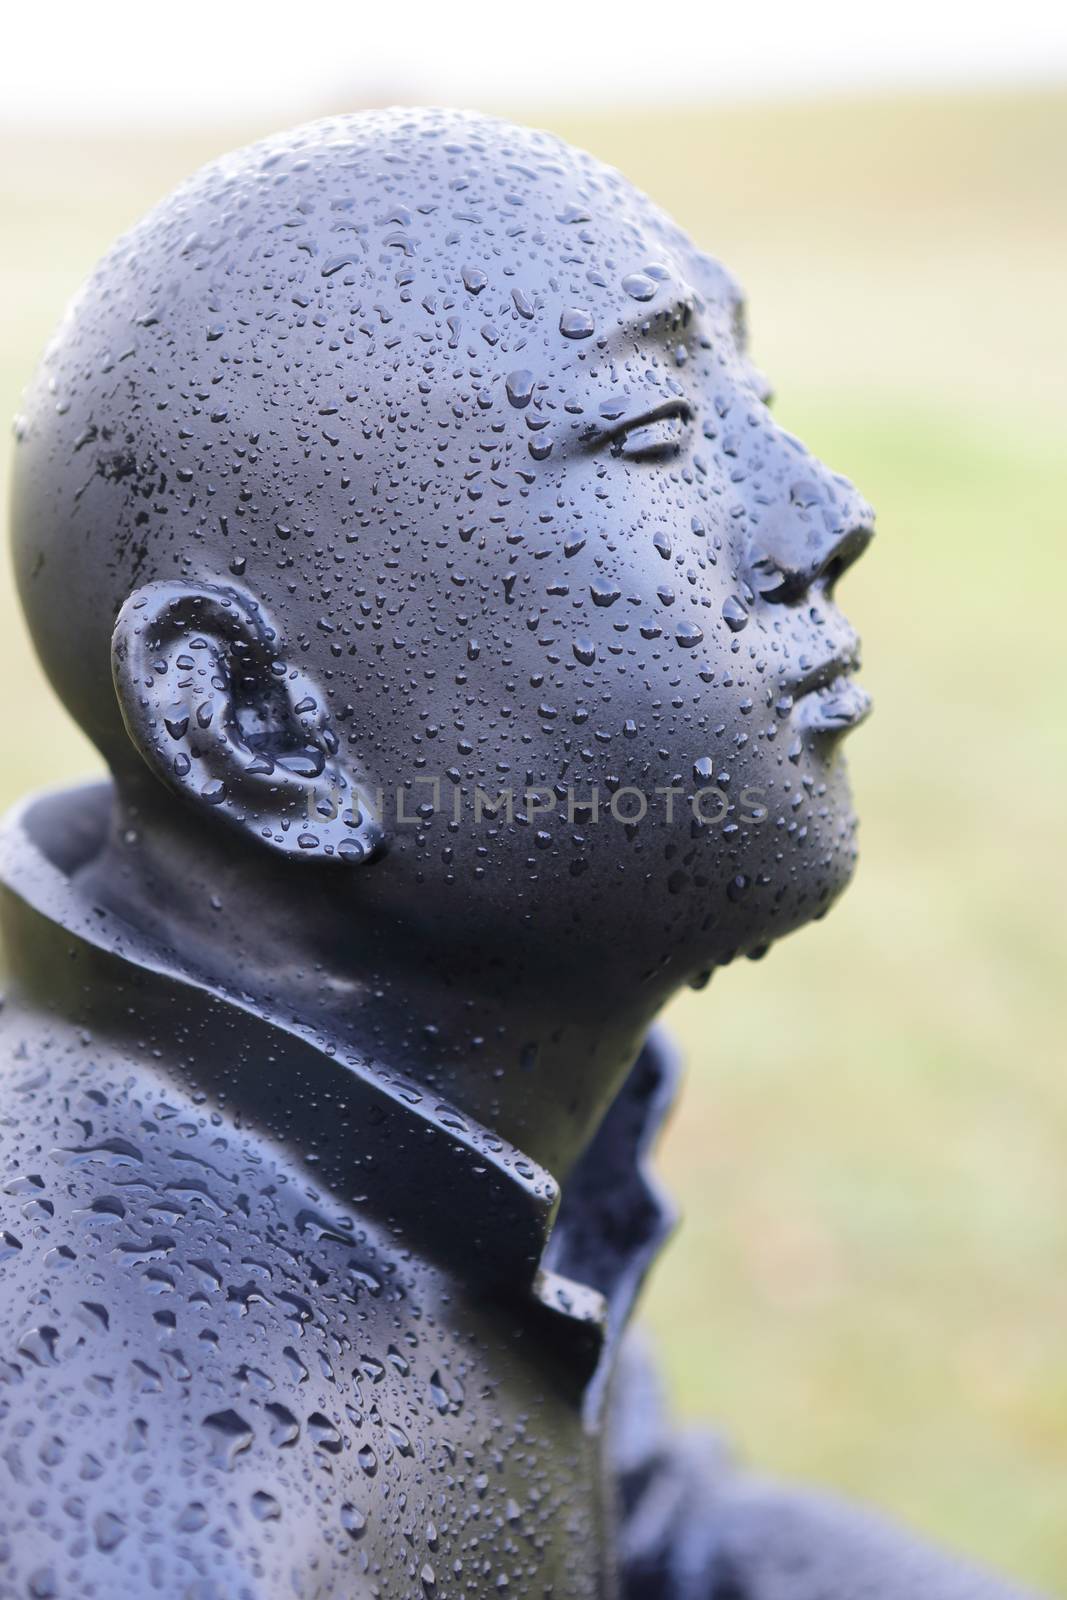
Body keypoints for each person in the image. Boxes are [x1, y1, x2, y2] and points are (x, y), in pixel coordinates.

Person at [1, 108, 1035, 1598]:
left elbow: (659, 1537)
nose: (826, 516)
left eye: (747, 398)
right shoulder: (171, 1531)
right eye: (660, 437)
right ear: (255, 721)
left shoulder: (420, 1086)